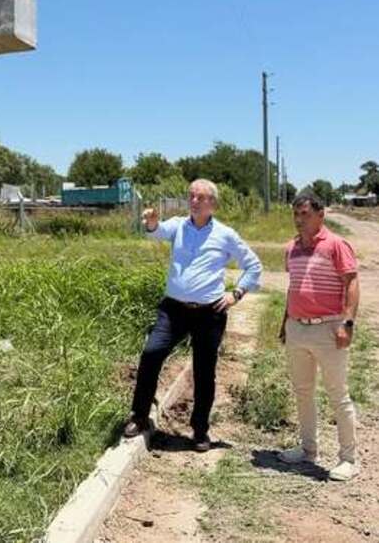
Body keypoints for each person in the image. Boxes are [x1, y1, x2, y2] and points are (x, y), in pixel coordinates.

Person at [123, 179, 262, 451]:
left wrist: (236, 294)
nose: (194, 201)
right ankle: (139, 416)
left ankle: (199, 430)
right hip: (173, 310)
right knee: (151, 353)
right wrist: (151, 222)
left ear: (213, 203)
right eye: (191, 196)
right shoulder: (178, 225)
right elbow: (157, 231)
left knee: (204, 370)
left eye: (200, 197)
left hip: (210, 313)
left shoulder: (225, 234)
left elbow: (253, 265)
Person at [277, 191, 360, 481]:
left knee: (338, 394)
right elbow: (294, 287)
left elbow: (351, 283)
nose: (299, 220)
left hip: (329, 327)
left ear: (320, 215)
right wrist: (285, 322)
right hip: (298, 328)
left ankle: (349, 458)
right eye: (296, 214)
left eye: (305, 214)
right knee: (303, 392)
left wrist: (347, 323)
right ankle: (308, 449)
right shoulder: (292, 248)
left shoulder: (336, 245)